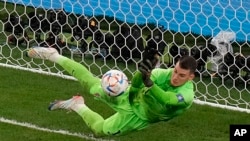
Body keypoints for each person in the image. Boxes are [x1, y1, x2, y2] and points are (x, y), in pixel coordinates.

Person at [27, 46, 197, 136]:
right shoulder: (163, 74)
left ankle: (78, 106)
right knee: (91, 83)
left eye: (181, 75)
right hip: (130, 96)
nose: (175, 77)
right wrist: (141, 74)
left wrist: (149, 82)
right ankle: (54, 55)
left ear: (191, 77)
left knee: (100, 130)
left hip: (137, 117)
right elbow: (136, 86)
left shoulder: (187, 95)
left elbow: (167, 100)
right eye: (175, 71)